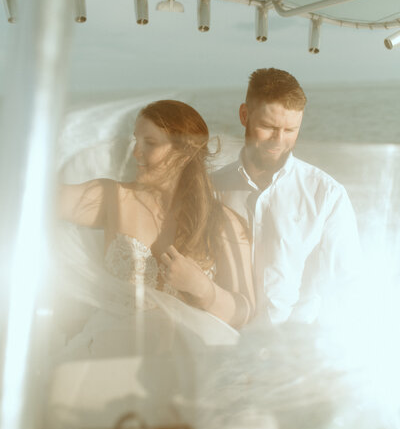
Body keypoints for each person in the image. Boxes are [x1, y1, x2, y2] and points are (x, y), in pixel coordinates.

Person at [58, 98, 255, 331]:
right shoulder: (113, 198)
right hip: (116, 342)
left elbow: (245, 312)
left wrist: (203, 289)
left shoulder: (221, 222)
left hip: (184, 354)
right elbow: (38, 199)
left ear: (184, 153)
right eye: (135, 140)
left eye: (149, 143)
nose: (135, 152)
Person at [212, 68, 360, 324]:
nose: (278, 141)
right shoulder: (211, 188)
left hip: (296, 349)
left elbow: (345, 287)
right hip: (226, 341)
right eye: (268, 127)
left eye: (291, 130)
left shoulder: (327, 195)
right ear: (244, 115)